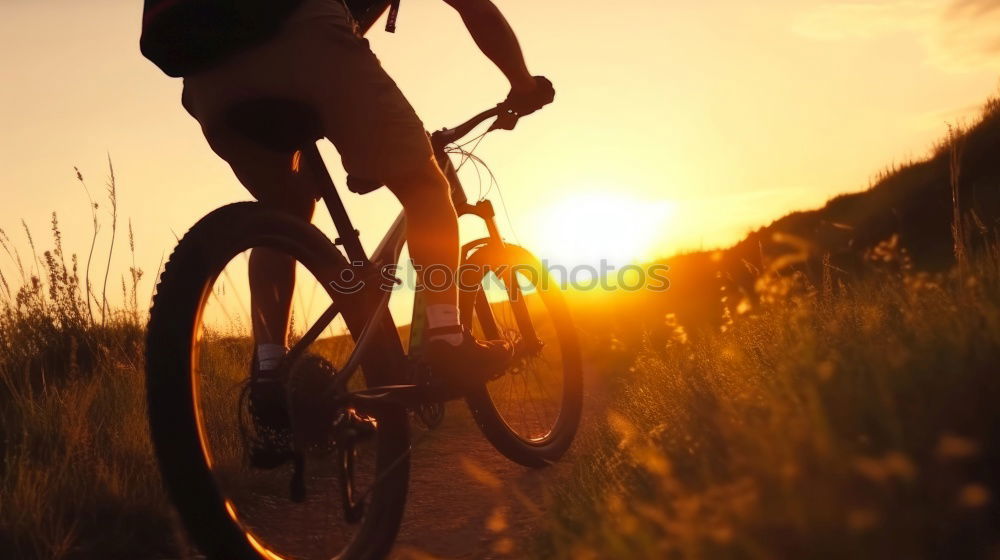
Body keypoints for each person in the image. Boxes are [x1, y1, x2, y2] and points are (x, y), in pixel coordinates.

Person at [140, 0, 554, 462]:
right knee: (423, 185)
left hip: (209, 83)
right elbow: (475, 9)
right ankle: (445, 339)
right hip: (309, 40)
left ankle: (270, 372)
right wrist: (522, 82)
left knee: (284, 211)